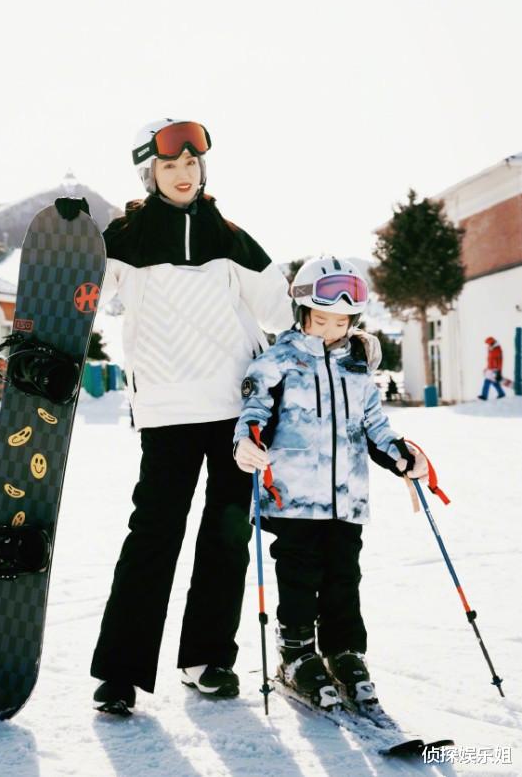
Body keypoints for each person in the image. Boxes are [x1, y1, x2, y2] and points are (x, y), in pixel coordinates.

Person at [90, 119, 294, 714]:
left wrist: (349, 335)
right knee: (153, 535)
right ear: (149, 174)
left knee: (227, 535)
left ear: (203, 170)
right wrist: (77, 242)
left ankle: (206, 659)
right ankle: (121, 672)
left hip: (237, 412)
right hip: (166, 411)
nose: (182, 174)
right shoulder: (124, 239)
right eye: (169, 166)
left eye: (190, 165)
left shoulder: (231, 238)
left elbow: (283, 309)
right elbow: (96, 297)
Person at [233, 256, 428, 710]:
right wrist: (247, 441)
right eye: (321, 319)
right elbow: (253, 414)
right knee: (299, 576)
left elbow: (375, 425)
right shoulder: (276, 362)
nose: (331, 329)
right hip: (294, 498)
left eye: (341, 321)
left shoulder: (357, 367)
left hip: (347, 499)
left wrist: (400, 454)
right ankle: (297, 656)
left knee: (344, 576)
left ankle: (344, 653)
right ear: (301, 314)